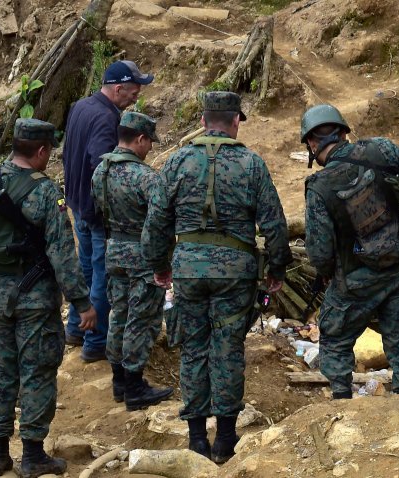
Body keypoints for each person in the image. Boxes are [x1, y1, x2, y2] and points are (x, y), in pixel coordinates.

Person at [143, 91, 292, 464]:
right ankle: (225, 439)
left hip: (189, 269)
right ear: (235, 121)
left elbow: (156, 222)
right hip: (236, 273)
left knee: (193, 348)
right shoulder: (251, 163)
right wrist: (276, 270)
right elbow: (274, 223)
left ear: (204, 120)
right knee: (227, 348)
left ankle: (196, 438)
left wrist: (160, 265)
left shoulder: (177, 162)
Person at [0, 119, 98, 478]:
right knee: (36, 371)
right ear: (42, 151)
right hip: (34, 300)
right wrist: (82, 303)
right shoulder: (46, 192)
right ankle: (33, 456)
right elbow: (63, 253)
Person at [300, 104, 399, 399]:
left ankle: (341, 402)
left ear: (311, 143)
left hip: (355, 278)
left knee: (335, 338)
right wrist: (398, 213)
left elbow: (320, 253)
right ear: (345, 132)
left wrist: (328, 275)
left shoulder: (319, 187)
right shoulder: (382, 150)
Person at [62, 60, 154, 362]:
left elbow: (68, 152)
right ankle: (96, 342)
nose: (135, 98)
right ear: (117, 88)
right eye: (133, 92)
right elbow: (100, 165)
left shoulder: (81, 106)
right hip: (96, 212)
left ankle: (76, 329)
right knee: (102, 276)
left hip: (77, 204)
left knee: (87, 270)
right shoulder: (105, 118)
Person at [90, 112, 174, 410]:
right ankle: (135, 388)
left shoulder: (101, 170)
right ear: (139, 139)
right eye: (149, 141)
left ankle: (119, 382)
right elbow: (160, 222)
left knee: (119, 315)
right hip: (142, 255)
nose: (150, 148)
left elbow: (99, 211)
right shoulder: (146, 177)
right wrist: (162, 262)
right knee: (143, 320)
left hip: (114, 251)